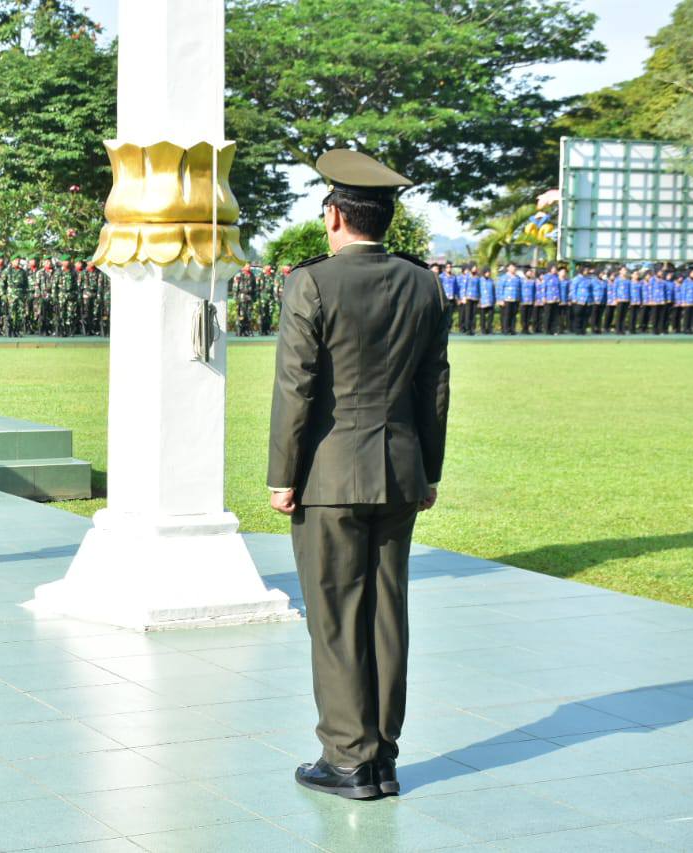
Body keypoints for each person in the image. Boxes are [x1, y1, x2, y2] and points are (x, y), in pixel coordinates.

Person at [268, 150, 449, 800]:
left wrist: (282, 475)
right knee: (386, 614)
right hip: (399, 471)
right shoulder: (423, 283)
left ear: (336, 216)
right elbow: (434, 386)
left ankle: (347, 758)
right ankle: (382, 759)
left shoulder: (311, 283)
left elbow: (296, 387)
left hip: (329, 476)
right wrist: (428, 471)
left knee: (336, 615)